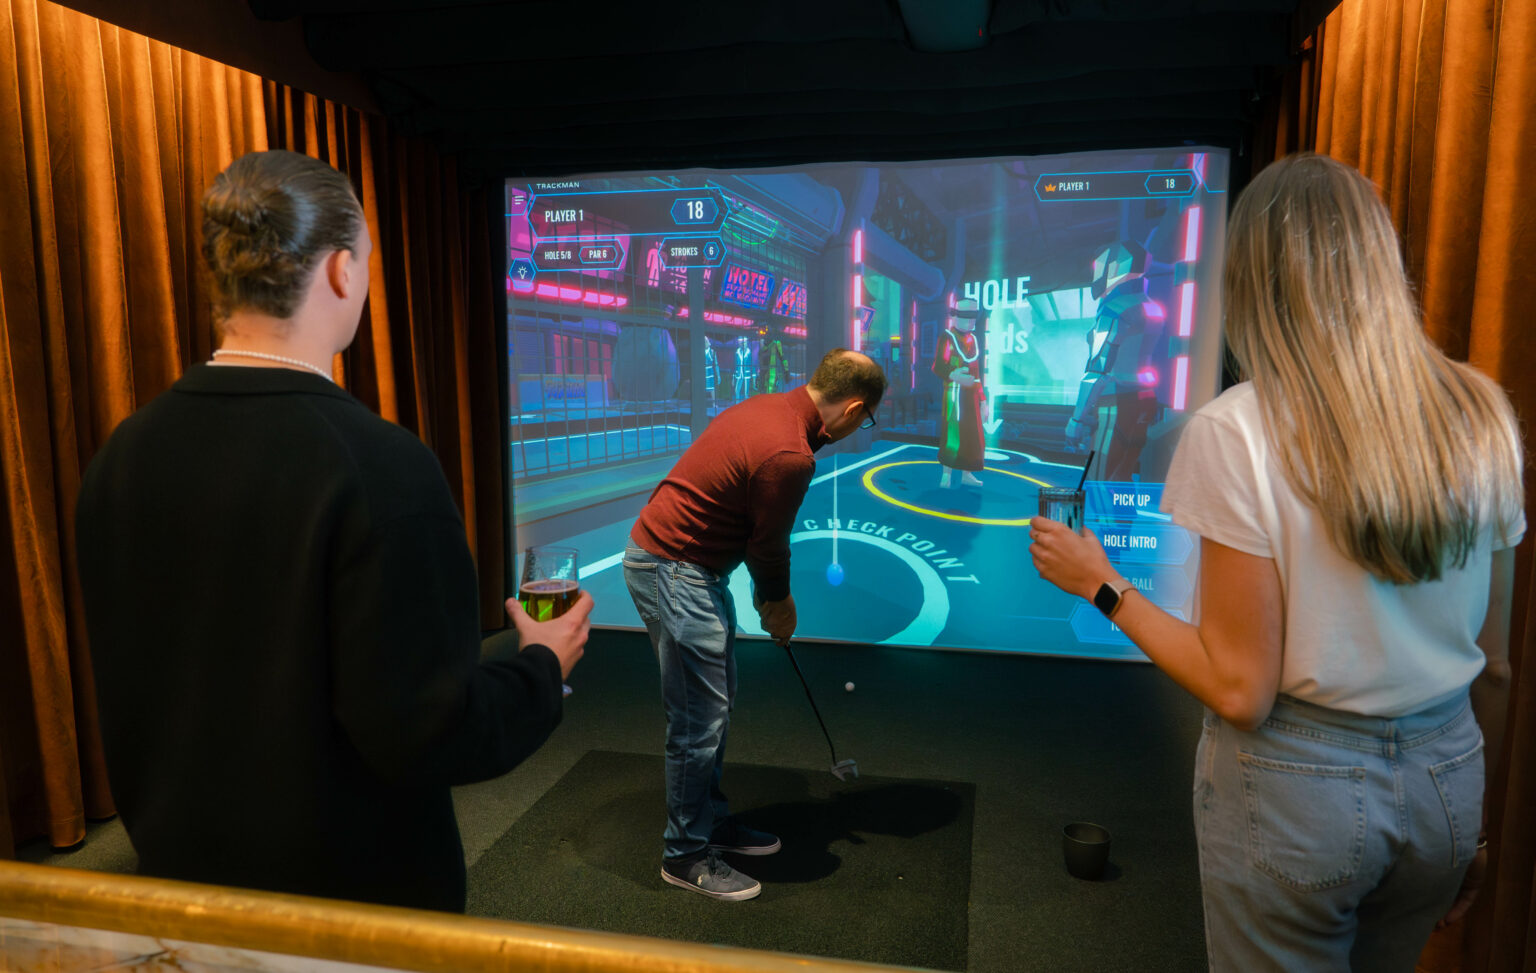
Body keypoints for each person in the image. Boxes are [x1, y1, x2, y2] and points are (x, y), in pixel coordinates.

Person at [1029, 153, 1523, 970]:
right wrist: (1469, 830)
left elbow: (1240, 688)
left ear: (1254, 280)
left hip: (1304, 790)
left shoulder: (1238, 429)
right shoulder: (1481, 411)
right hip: (1449, 775)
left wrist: (1100, 584)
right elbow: (1497, 667)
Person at [74, 150, 591, 913]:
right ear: (342, 270)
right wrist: (542, 665)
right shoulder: (383, 466)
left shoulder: (123, 453)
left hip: (182, 896)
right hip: (349, 917)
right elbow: (431, 731)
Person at [623, 349, 887, 901]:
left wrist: (764, 595)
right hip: (675, 568)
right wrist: (779, 604)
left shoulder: (771, 407)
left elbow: (747, 522)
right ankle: (684, 854)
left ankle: (711, 824)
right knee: (698, 720)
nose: (860, 426)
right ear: (854, 408)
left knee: (712, 708)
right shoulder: (790, 453)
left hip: (682, 565)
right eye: (866, 419)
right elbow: (768, 547)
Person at [932, 297, 988, 487]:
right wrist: (954, 375)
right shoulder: (947, 337)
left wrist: (983, 400)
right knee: (952, 434)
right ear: (955, 316)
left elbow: (976, 374)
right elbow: (938, 366)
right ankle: (946, 474)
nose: (970, 320)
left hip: (971, 397)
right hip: (954, 395)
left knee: (972, 435)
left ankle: (967, 473)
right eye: (966, 315)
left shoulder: (973, 340)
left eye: (973, 316)